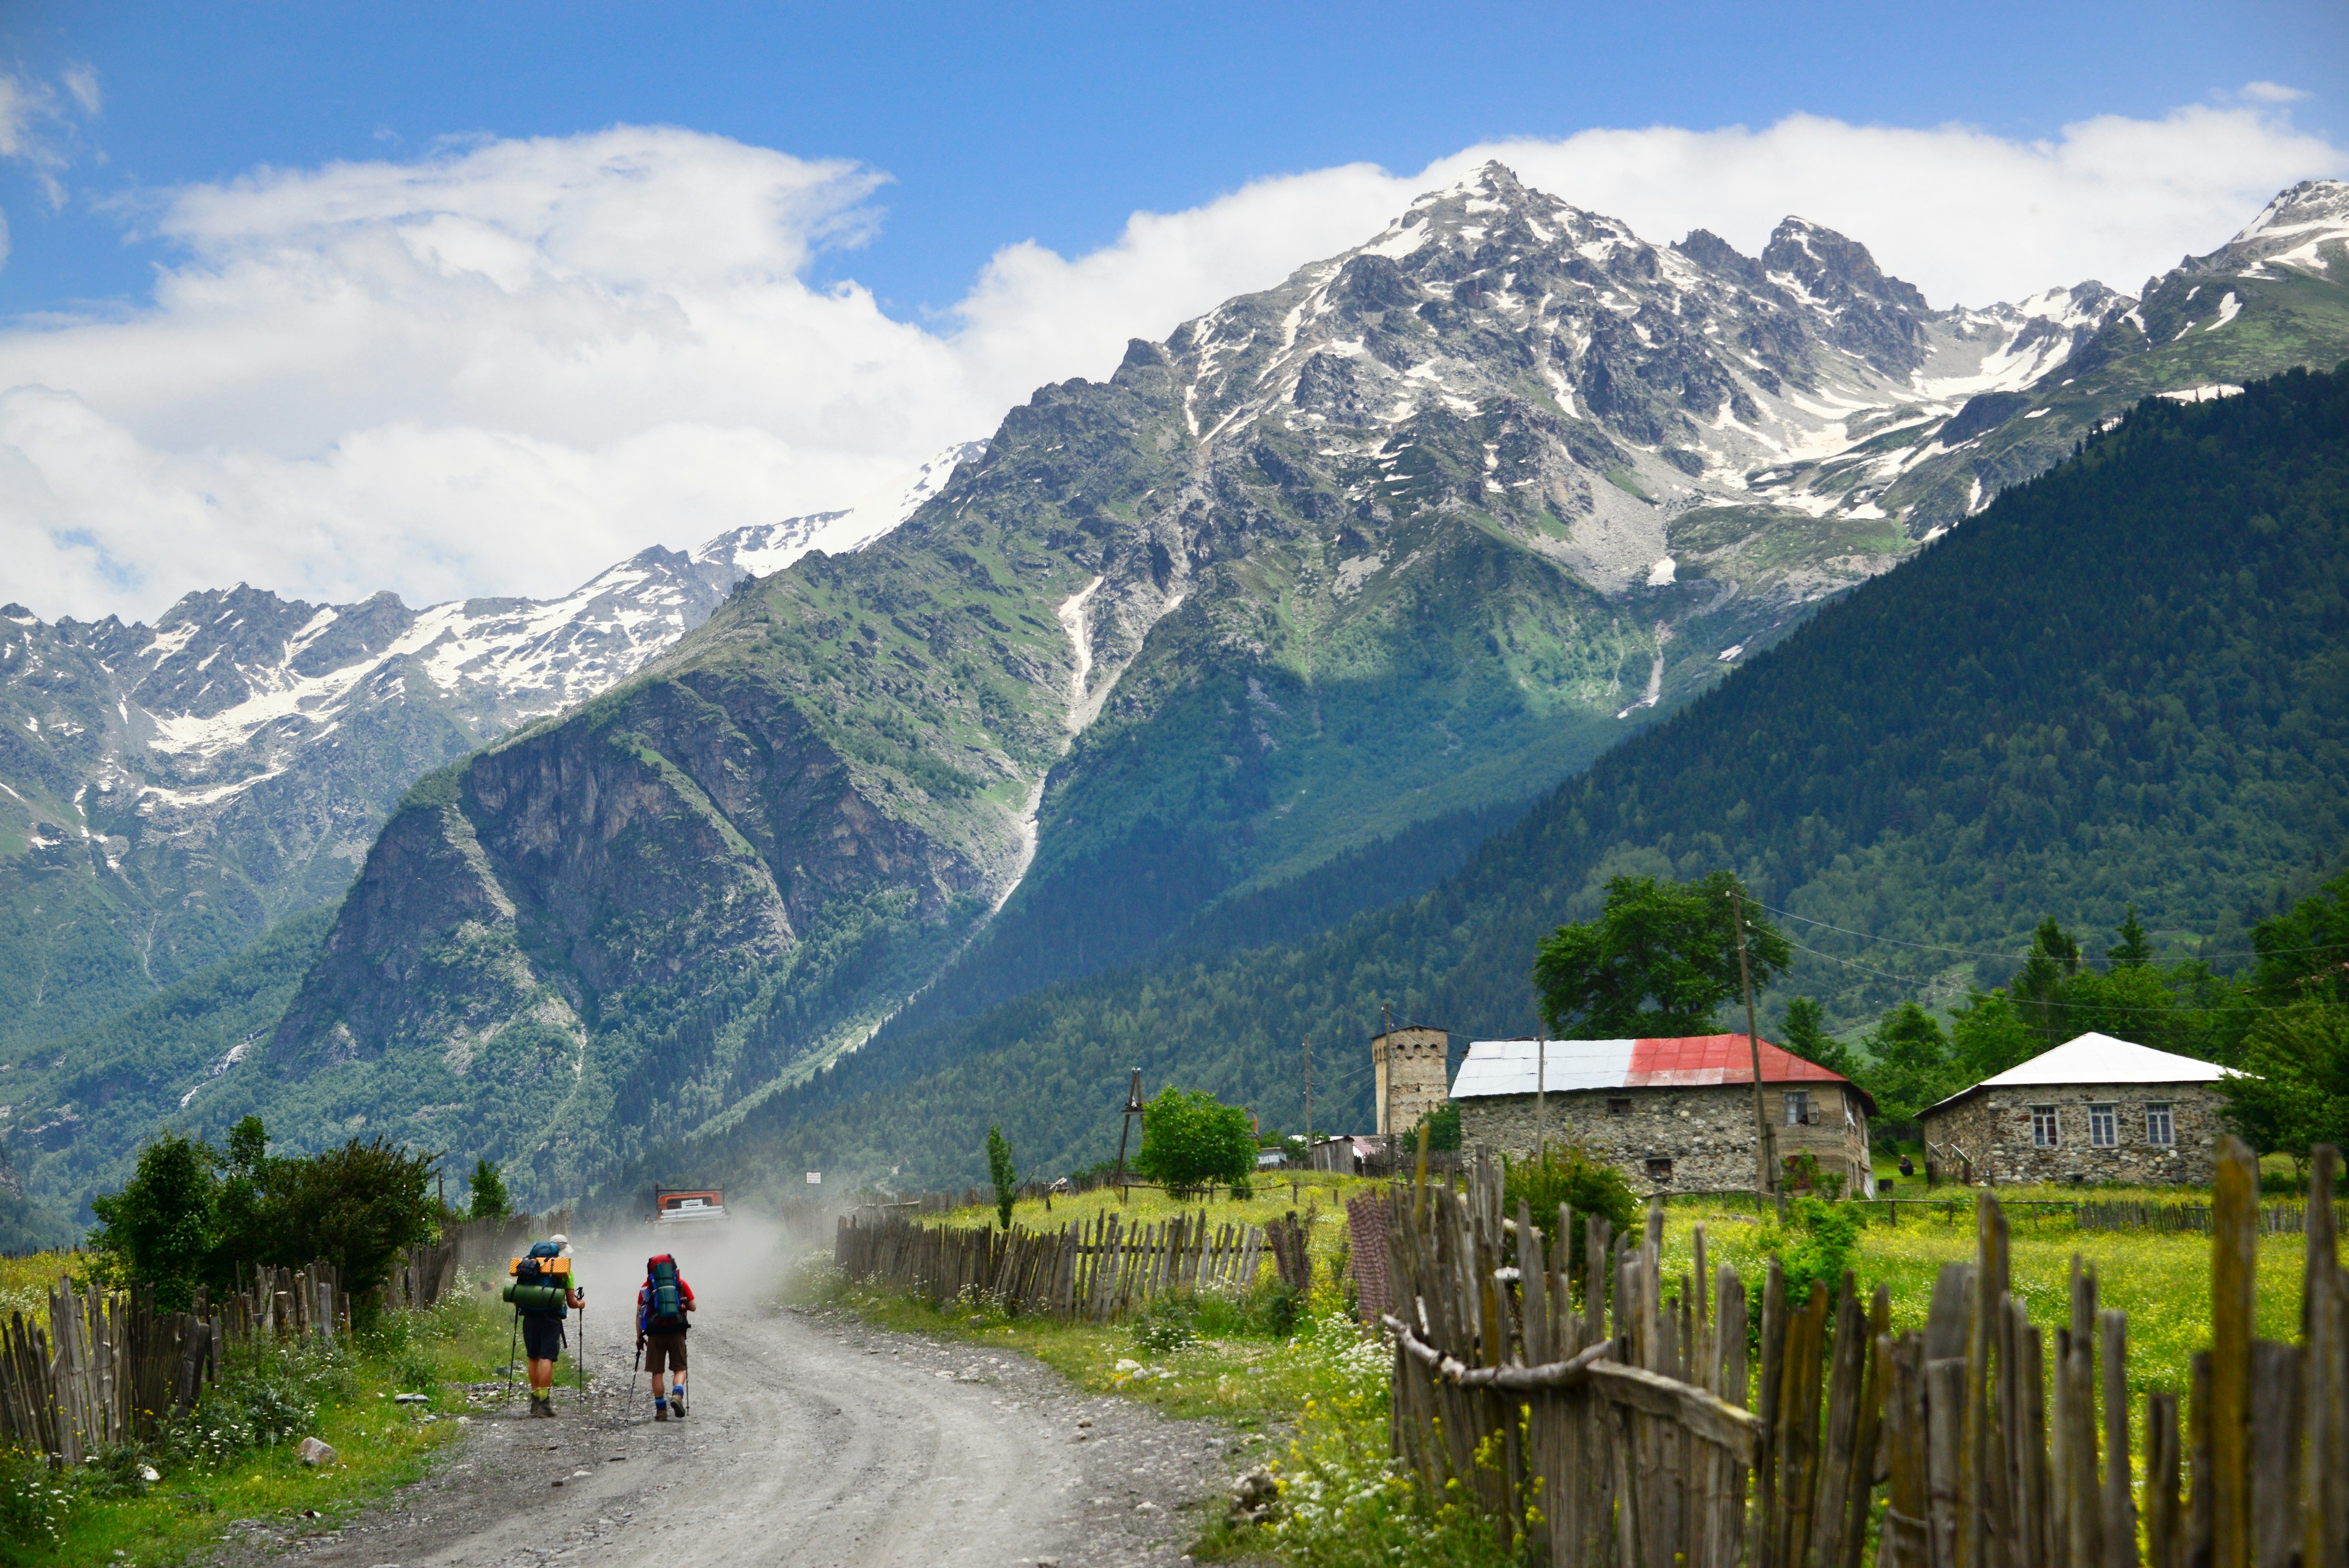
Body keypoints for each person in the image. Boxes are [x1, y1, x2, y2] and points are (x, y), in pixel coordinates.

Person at [518, 1236, 585, 1419]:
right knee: (547, 1358)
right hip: (551, 1319)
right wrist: (581, 1304)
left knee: (533, 1357)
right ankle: (544, 1402)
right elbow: (571, 1303)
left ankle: (534, 1400)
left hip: (530, 1317)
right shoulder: (564, 1270)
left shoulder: (527, 1265)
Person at [637, 1253, 697, 1421]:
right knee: (679, 1368)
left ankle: (661, 1410)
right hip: (677, 1330)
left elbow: (640, 1313)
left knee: (657, 1371)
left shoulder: (646, 1286)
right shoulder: (680, 1283)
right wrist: (682, 1303)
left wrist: (639, 1337)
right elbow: (693, 1307)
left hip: (655, 1332)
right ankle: (677, 1394)